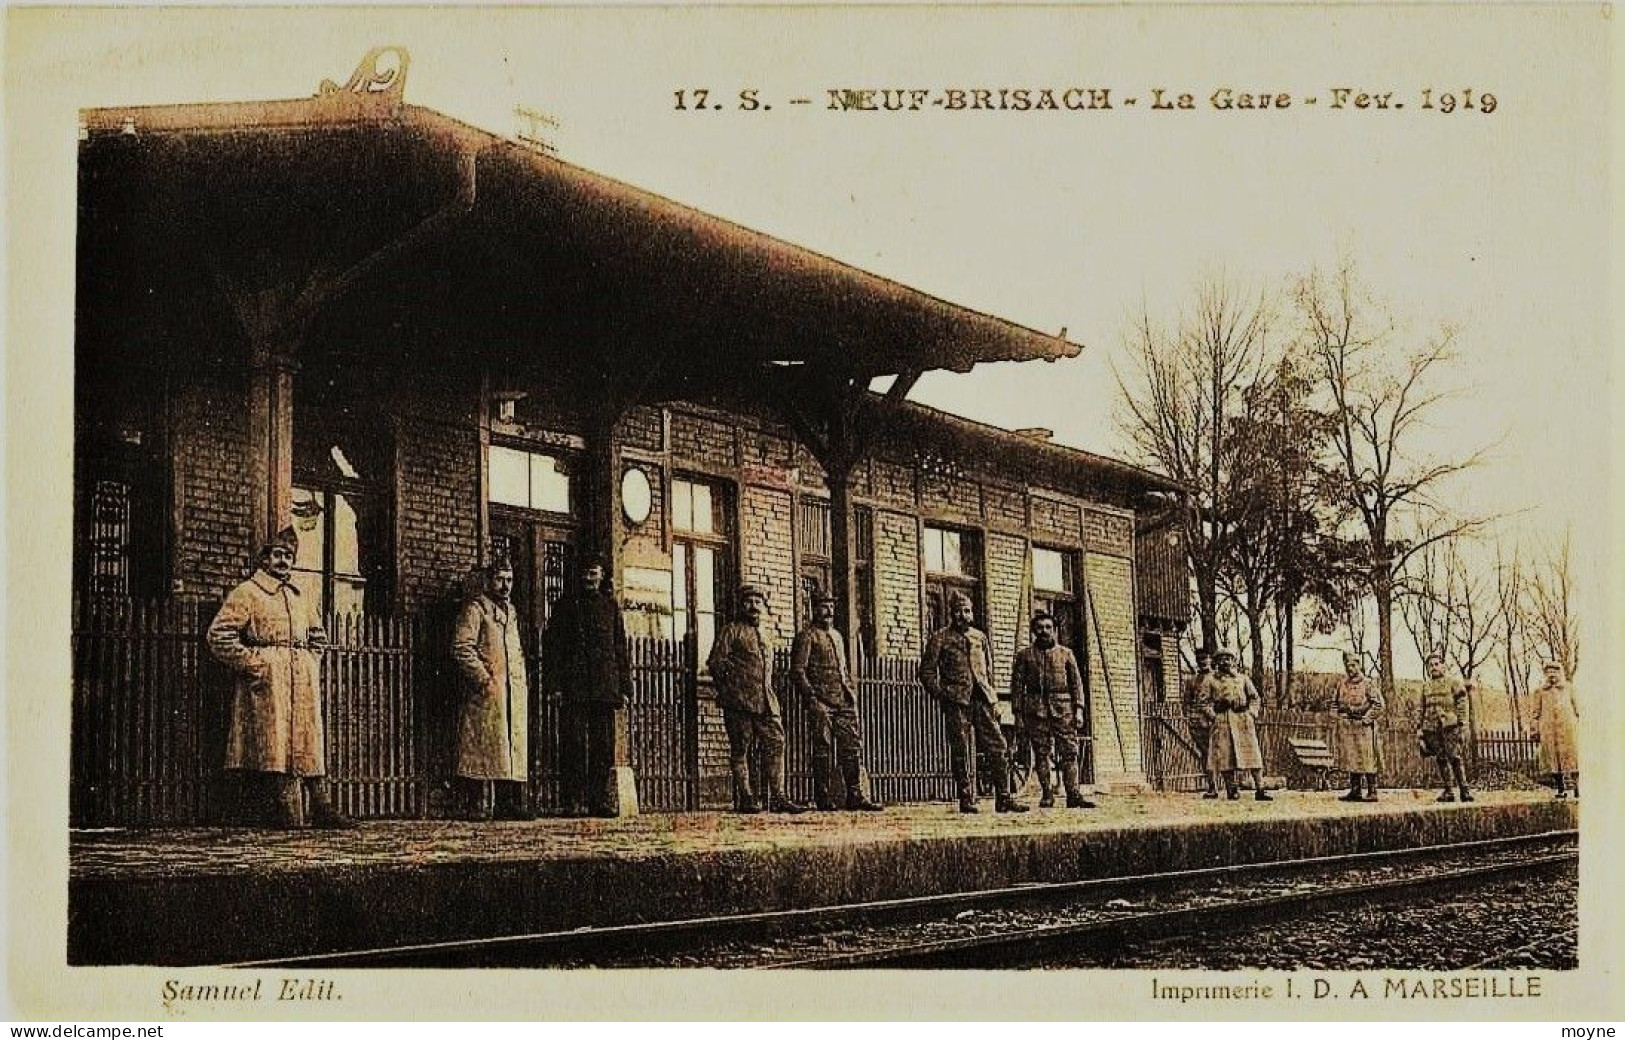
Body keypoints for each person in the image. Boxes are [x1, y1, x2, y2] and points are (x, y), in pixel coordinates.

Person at [206, 525, 353, 829]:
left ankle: (321, 806)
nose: (284, 560)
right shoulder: (248, 592)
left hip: (302, 677)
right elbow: (219, 635)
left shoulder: (300, 594)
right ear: (265, 559)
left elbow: (318, 637)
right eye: (277, 555)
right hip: (269, 679)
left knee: (308, 741)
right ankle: (286, 813)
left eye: (288, 555)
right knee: (275, 744)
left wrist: (311, 661)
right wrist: (255, 663)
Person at [919, 591, 1029, 814]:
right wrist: (942, 693)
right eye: (959, 611)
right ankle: (966, 798)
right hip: (957, 701)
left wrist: (994, 699)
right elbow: (926, 672)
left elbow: (988, 670)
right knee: (960, 750)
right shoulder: (940, 638)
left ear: (972, 613)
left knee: (998, 746)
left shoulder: (980, 637)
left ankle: (1004, 798)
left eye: (967, 611)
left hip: (982, 699)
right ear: (952, 613)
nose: (963, 615)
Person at [544, 557, 632, 818]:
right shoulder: (565, 607)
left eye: (593, 573)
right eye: (585, 573)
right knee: (573, 744)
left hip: (604, 688)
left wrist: (624, 688)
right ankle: (572, 800)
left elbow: (620, 649)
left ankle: (598, 801)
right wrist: (555, 685)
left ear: (602, 575)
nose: (588, 578)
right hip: (574, 688)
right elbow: (554, 649)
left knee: (602, 747)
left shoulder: (610, 608)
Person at [709, 585, 807, 814]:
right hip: (739, 701)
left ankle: (778, 796)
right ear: (741, 605)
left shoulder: (764, 633)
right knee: (740, 748)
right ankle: (746, 797)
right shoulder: (730, 631)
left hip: (766, 700)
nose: (753, 606)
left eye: (757, 602)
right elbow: (716, 663)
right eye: (748, 602)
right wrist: (731, 691)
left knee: (776, 742)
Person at [449, 558, 532, 821]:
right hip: (486, 690)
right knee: (480, 747)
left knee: (507, 746)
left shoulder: (512, 611)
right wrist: (483, 679)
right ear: (488, 581)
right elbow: (462, 647)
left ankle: (506, 804)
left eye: (509, 580)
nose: (505, 586)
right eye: (500, 579)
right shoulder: (476, 609)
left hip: (510, 689)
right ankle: (473, 804)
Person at [790, 590, 883, 812]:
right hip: (821, 701)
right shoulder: (807, 636)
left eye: (831, 606)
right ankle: (822, 797)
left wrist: (849, 692)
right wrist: (812, 698)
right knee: (822, 748)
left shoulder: (838, 636)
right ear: (814, 609)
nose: (828, 611)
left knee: (851, 747)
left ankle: (855, 795)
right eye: (823, 606)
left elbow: (842, 669)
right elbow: (798, 671)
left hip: (842, 701)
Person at [1010, 612, 1095, 809]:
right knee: (1041, 753)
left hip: (1063, 710)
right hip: (1036, 711)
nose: (1044, 631)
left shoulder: (1066, 654)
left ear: (1054, 630)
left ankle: (1073, 794)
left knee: (1069, 752)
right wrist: (1018, 715)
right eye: (1040, 628)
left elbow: (1077, 685)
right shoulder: (1024, 656)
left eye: (1048, 627)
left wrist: (1079, 710)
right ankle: (1047, 794)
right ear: (1033, 631)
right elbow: (1017, 687)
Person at [1203, 648, 1271, 801]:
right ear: (1217, 662)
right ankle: (1231, 789)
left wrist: (1252, 713)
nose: (1225, 661)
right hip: (1223, 720)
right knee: (1226, 755)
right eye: (1222, 659)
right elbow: (1204, 702)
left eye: (1229, 658)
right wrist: (1214, 716)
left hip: (1243, 720)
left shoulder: (1243, 679)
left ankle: (1260, 788)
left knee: (1253, 754)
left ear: (1234, 661)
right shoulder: (1211, 680)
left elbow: (1255, 698)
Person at [1417, 653, 1474, 803]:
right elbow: (1421, 708)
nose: (1434, 668)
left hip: (1449, 726)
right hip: (1431, 728)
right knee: (1441, 759)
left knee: (1455, 757)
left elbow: (1462, 705)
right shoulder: (1425, 686)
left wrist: (1462, 724)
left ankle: (1464, 790)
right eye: (1431, 665)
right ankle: (1448, 790)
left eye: (1437, 664)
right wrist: (1419, 729)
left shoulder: (1453, 683)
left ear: (1443, 666)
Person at [1332, 651, 1384, 803]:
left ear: (1359, 665)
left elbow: (1379, 705)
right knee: (1351, 758)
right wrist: (1339, 717)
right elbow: (1334, 704)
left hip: (1364, 727)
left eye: (1353, 665)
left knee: (1367, 758)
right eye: (1348, 665)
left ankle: (1372, 790)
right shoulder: (1342, 684)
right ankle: (1355, 790)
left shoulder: (1368, 684)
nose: (1350, 668)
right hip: (1348, 727)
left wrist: (1367, 719)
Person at [1531, 661, 1580, 799]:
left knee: (1573, 758)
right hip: (1549, 730)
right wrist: (1535, 730)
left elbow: (1578, 709)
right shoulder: (1540, 692)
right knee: (1553, 760)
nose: (1552, 675)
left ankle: (1577, 788)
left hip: (1568, 728)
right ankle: (1560, 788)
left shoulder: (1569, 688)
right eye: (1549, 672)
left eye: (1555, 671)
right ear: (1545, 674)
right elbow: (1535, 713)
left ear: (1560, 672)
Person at [1182, 647, 1220, 798]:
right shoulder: (1192, 680)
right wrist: (1190, 717)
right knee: (1206, 755)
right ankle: (1212, 787)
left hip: (1217, 721)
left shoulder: (1218, 678)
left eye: (1205, 658)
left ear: (1210, 659)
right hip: (1198, 723)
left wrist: (1216, 714)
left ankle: (1232, 787)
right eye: (1199, 659)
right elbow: (1186, 701)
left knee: (1222, 754)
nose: (1202, 662)